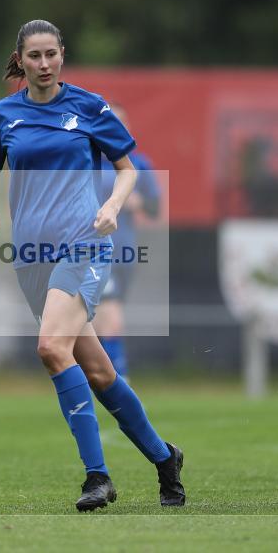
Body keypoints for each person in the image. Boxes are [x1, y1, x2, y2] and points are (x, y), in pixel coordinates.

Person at [0, 19, 185, 511]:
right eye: (34, 56)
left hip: (84, 245)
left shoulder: (89, 107)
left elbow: (127, 170)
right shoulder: (2, 115)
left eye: (51, 54)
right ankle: (164, 457)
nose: (44, 64)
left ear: (62, 55)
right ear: (20, 60)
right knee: (99, 372)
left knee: (50, 347)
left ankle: (97, 476)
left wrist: (111, 206)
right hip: (31, 257)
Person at [93, 103, 161, 379]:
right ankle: (114, 381)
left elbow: (155, 208)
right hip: (93, 252)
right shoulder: (88, 163)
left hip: (123, 253)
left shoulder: (138, 165)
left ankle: (108, 380)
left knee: (105, 318)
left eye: (121, 123)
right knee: (105, 319)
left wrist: (139, 202)